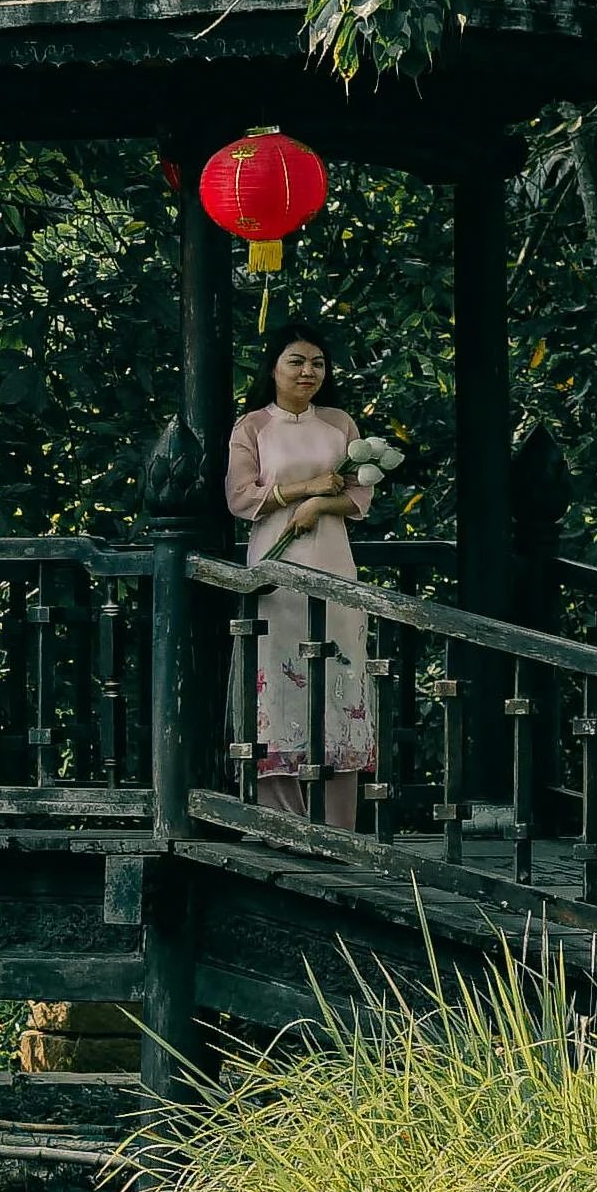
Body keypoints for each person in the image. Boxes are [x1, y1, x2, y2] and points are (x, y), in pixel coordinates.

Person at [223, 326, 383, 821]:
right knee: (280, 670)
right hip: (276, 557)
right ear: (273, 367)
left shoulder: (340, 424)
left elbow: (360, 496)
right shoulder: (251, 427)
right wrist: (303, 490)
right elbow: (240, 498)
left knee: (340, 669)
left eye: (317, 362)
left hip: (333, 558)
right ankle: (282, 819)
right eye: (296, 362)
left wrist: (320, 504)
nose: (308, 372)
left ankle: (339, 823)